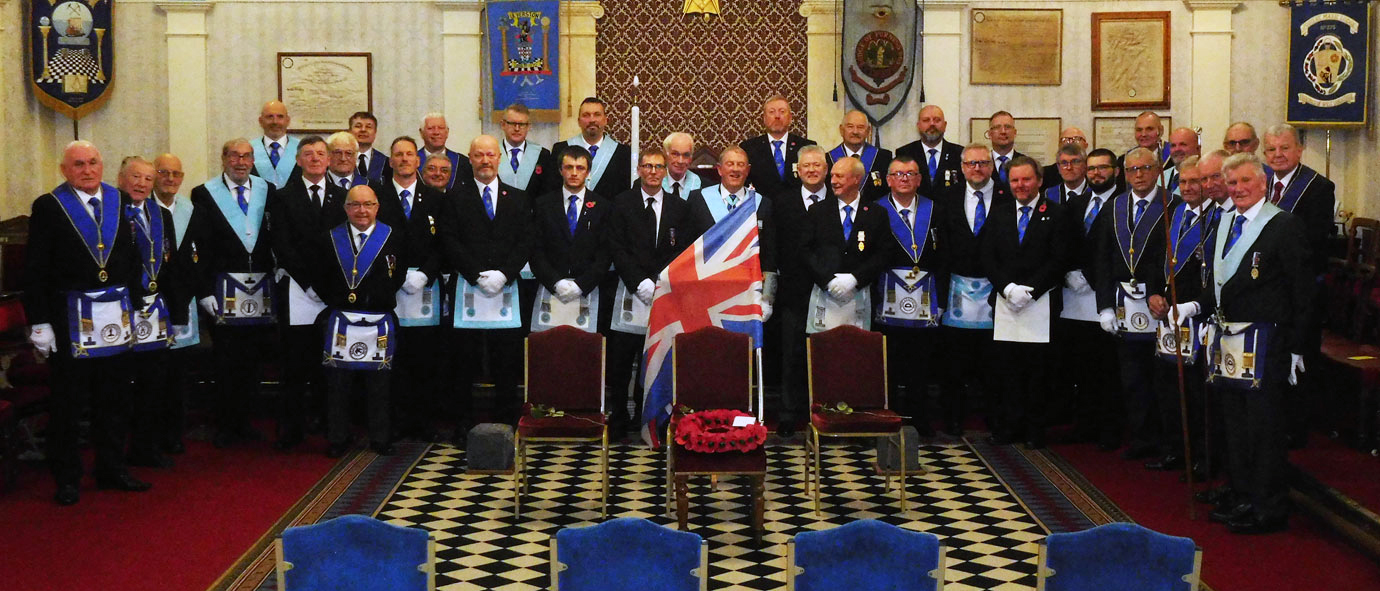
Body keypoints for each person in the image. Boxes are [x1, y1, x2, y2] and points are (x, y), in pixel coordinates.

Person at [1174, 152, 1312, 534]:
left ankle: (1268, 507)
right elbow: (1217, 281)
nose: (1237, 190)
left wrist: (1298, 347)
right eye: (1231, 183)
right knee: (1234, 423)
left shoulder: (1284, 226)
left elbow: (1303, 292)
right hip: (1229, 340)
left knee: (1263, 428)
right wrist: (1193, 305)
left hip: (1267, 341)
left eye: (1245, 182)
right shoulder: (1224, 221)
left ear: (1263, 183)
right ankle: (1242, 493)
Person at [23, 141, 146, 505]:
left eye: (93, 162)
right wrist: (40, 322)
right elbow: (36, 269)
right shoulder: (49, 206)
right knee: (69, 403)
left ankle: (112, 469)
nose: (87, 170)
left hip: (115, 317)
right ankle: (67, 477)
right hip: (69, 319)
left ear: (102, 165)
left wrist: (137, 306)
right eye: (78, 164)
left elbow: (132, 257)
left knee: (114, 398)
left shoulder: (120, 201)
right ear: (64, 169)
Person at [187, 138, 278, 448]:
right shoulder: (203, 193)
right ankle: (225, 424)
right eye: (235, 156)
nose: (241, 162)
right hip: (223, 291)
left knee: (252, 358)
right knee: (226, 359)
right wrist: (203, 290)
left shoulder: (267, 190)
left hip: (260, 290)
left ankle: (247, 421)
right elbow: (197, 245)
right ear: (223, 158)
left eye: (247, 156)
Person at [438, 135, 533, 429]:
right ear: (470, 158)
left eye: (490, 155)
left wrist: (504, 274)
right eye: (478, 155)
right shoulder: (454, 197)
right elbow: (449, 240)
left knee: (506, 360)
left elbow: (525, 242)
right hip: (468, 286)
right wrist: (477, 274)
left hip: (506, 288)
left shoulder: (518, 198)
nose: (485, 161)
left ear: (499, 158)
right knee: (463, 361)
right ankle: (463, 424)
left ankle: (506, 420)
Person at [266, 136, 348, 450]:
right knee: (295, 364)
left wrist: (326, 285)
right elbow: (281, 244)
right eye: (308, 154)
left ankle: (332, 429)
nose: (315, 159)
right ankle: (292, 431)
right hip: (298, 290)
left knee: (330, 365)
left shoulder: (343, 197)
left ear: (328, 160)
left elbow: (344, 244)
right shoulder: (283, 197)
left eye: (320, 154)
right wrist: (309, 282)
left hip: (332, 292)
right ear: (298, 161)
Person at [605, 149, 693, 435]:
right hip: (629, 292)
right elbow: (615, 246)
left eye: (658, 167)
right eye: (647, 166)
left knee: (653, 358)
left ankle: (647, 417)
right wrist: (637, 280)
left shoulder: (680, 207)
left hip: (664, 293)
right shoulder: (621, 203)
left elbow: (682, 250)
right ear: (639, 170)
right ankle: (618, 418)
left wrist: (659, 281)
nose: (653, 171)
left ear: (665, 170)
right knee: (620, 362)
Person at [313, 185, 406, 457]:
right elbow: (321, 275)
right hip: (341, 317)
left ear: (377, 207)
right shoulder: (330, 238)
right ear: (346, 208)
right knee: (338, 384)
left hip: (379, 317)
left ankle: (380, 437)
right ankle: (338, 437)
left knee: (380, 384)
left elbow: (397, 275)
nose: (362, 210)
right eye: (355, 205)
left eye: (368, 204)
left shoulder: (393, 237)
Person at [1094, 147, 1174, 458]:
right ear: (1123, 174)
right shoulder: (1114, 207)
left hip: (1160, 306)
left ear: (1157, 172)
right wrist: (1103, 306)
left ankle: (1167, 443)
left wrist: (1162, 292)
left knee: (1162, 379)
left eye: (1145, 168)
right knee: (1132, 379)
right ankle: (1141, 440)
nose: (1138, 175)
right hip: (1123, 305)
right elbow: (1101, 258)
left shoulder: (1173, 206)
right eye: (1132, 170)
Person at [982, 156, 1065, 448]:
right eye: (1015, 180)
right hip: (1006, 303)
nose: (1020, 185)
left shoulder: (1056, 213)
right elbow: (988, 256)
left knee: (1037, 372)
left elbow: (1059, 259)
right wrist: (1006, 288)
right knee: (1007, 370)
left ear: (1039, 181)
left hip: (1040, 303)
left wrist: (1031, 291)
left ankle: (1034, 430)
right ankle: (1008, 427)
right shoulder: (1000, 213)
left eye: (1026, 179)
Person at [1261, 123, 1336, 448]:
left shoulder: (1318, 187)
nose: (1278, 155)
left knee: (1299, 358)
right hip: (1263, 291)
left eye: (1284, 148)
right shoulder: (1257, 181)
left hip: (1299, 289)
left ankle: (1296, 429)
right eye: (1272, 149)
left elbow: (1315, 243)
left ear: (1299, 149)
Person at [373, 136, 448, 441]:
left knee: (425, 356)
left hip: (425, 289)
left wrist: (426, 273)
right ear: (390, 161)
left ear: (419, 161)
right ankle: (392, 421)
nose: (404, 159)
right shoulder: (375, 196)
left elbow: (445, 242)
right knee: (392, 357)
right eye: (398, 155)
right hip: (387, 289)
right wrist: (394, 276)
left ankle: (423, 420)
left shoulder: (436, 198)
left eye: (409, 155)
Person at [119, 157, 190, 469]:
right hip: (122, 310)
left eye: (148, 179)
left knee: (154, 382)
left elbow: (171, 264)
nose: (142, 184)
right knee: (121, 385)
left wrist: (176, 313)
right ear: (121, 178)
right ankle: (117, 451)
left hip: (155, 310)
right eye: (136, 177)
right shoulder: (112, 212)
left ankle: (146, 447)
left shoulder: (160, 214)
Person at [934, 144, 1011, 435]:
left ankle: (996, 418)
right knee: (954, 361)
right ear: (962, 167)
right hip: (956, 289)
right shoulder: (947, 197)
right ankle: (953, 417)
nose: (976, 168)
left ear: (992, 166)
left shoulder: (1007, 196)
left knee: (995, 361)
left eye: (982, 163)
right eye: (970, 163)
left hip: (997, 289)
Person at [1145, 155, 1211, 473]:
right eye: (1182, 181)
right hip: (1167, 314)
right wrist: (1154, 294)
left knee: (1195, 392)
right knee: (1167, 385)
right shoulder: (1173, 214)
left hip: (1197, 314)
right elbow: (1156, 260)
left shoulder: (1214, 219)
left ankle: (1200, 455)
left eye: (1195, 181)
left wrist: (1192, 303)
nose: (1187, 187)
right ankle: (1174, 448)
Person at [872, 155, 945, 432]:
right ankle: (888, 416)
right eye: (898, 174)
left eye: (910, 174)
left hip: (926, 295)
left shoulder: (935, 209)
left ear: (919, 179)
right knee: (889, 359)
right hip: (887, 293)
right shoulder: (876, 210)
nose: (904, 179)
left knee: (921, 360)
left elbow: (945, 253)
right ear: (889, 179)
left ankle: (919, 417)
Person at [1057, 148, 1121, 448]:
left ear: (1115, 171)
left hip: (1106, 297)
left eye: (1103, 168)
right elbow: (1065, 243)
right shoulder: (1076, 203)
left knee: (1107, 367)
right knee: (1079, 364)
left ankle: (1109, 428)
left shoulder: (1123, 204)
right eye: (1092, 168)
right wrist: (1070, 271)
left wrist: (1092, 276)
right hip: (1074, 297)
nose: (1096, 174)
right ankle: (1083, 423)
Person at [774, 145, 831, 436]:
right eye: (806, 165)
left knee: (827, 354)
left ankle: (827, 411)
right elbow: (773, 245)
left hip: (831, 291)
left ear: (826, 169)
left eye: (817, 165)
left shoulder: (837, 200)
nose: (811, 170)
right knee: (791, 354)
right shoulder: (782, 202)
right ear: (797, 170)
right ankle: (787, 413)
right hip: (793, 291)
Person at [528, 145, 614, 334]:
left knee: (585, 353)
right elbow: (535, 250)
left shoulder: (603, 206)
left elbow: (605, 253)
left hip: (587, 290)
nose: (574, 173)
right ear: (560, 170)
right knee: (548, 351)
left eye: (580, 168)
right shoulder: (543, 205)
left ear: (588, 172)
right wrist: (555, 282)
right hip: (551, 288)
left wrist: (582, 284)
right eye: (569, 167)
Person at [152, 153, 196, 455]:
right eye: (163, 173)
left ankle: (176, 432)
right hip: (154, 302)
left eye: (175, 174)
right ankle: (155, 436)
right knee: (156, 373)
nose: (170, 179)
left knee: (180, 373)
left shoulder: (191, 209)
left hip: (185, 300)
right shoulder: (140, 209)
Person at [552, 97, 633, 199]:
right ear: (579, 121)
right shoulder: (560, 149)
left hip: (609, 214)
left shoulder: (623, 153)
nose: (592, 120)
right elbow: (553, 189)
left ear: (606, 120)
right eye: (586, 115)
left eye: (597, 114)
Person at [741, 95, 816, 197]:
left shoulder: (807, 146)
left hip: (798, 209)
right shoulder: (749, 148)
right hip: (762, 209)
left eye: (782, 111)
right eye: (772, 112)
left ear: (790, 118)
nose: (777, 116)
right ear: (764, 118)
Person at [895, 104, 964, 195]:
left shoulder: (959, 153)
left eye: (937, 120)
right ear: (918, 125)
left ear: (945, 125)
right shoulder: (905, 153)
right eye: (926, 120)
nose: (932, 124)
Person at [827, 110, 893, 202]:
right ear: (841, 130)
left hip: (874, 213)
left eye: (860, 127)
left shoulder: (883, 157)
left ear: (868, 131)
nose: (855, 131)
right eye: (850, 127)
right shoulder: (827, 159)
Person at [498, 103, 559, 198]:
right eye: (512, 123)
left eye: (521, 124)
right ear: (503, 125)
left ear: (529, 126)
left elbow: (547, 192)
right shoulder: (491, 154)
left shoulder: (542, 155)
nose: (517, 129)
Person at [252, 100, 299, 187]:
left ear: (287, 120)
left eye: (280, 117)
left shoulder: (301, 149)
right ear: (260, 121)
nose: (275, 122)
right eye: (269, 117)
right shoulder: (249, 150)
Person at [419, 112, 470, 192]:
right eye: (430, 128)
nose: (436, 132)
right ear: (421, 133)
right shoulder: (411, 162)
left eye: (441, 128)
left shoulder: (463, 163)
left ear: (447, 132)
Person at [1116, 112, 1172, 185]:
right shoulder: (1123, 161)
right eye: (1139, 130)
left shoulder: (1173, 158)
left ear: (1161, 130)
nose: (1144, 134)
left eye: (1149, 129)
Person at [987, 111, 1025, 184]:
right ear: (989, 134)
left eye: (1007, 127)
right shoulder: (982, 164)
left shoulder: (1026, 163)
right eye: (997, 127)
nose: (1003, 131)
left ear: (1015, 133)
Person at [349, 111, 387, 183]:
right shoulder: (340, 160)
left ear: (375, 132)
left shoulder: (386, 162)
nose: (363, 130)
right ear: (350, 131)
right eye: (358, 126)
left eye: (368, 127)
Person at [1162, 127, 1201, 197]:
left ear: (1198, 149)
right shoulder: (1161, 177)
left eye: (1183, 145)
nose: (1177, 149)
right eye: (1173, 146)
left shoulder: (1205, 176)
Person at [662, 132, 703, 199]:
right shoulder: (650, 185)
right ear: (665, 155)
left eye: (686, 155)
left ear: (691, 158)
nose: (680, 161)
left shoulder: (704, 188)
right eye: (675, 154)